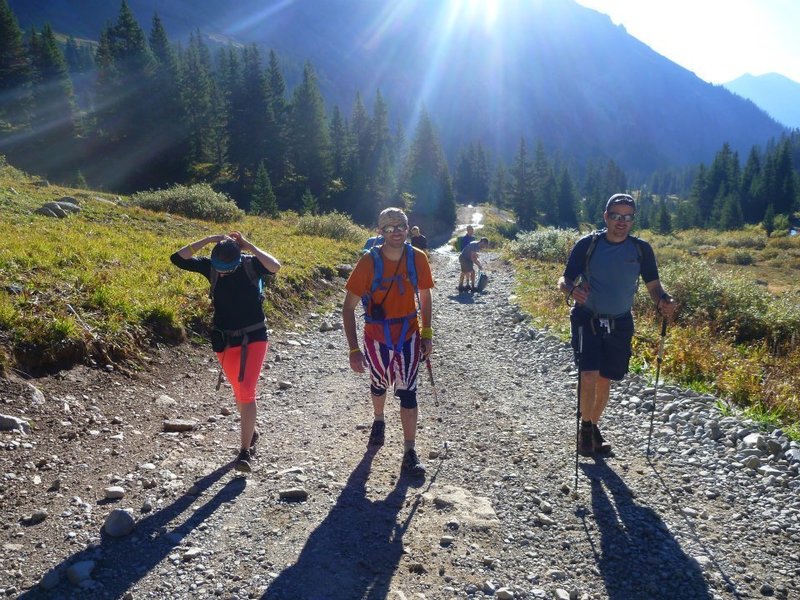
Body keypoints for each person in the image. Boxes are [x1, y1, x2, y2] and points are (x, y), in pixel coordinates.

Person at [558, 193, 676, 456]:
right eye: (616, 216)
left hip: (620, 322)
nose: (621, 222)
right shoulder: (587, 244)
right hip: (586, 319)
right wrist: (571, 291)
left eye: (627, 217)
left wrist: (663, 301)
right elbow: (564, 280)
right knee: (588, 373)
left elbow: (654, 286)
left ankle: (592, 425)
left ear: (633, 220)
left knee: (605, 378)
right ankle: (586, 430)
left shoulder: (641, 249)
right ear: (606, 217)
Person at [171, 231, 281, 473]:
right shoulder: (210, 267)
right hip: (225, 339)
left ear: (237, 260)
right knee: (238, 388)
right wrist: (208, 239)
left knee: (247, 390)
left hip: (254, 336)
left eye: (227, 269)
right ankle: (251, 431)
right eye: (219, 268)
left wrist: (249, 245)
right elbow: (177, 259)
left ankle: (244, 452)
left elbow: (275, 266)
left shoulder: (251, 264)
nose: (221, 273)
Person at [342, 207, 434, 476]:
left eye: (400, 227)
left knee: (408, 392)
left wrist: (427, 334)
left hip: (408, 334)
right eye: (389, 228)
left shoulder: (418, 258)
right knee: (379, 384)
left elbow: (426, 297)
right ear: (379, 231)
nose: (395, 232)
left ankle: (409, 451)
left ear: (408, 228)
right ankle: (379, 419)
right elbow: (348, 308)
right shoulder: (368, 262)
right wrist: (353, 350)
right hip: (377, 337)